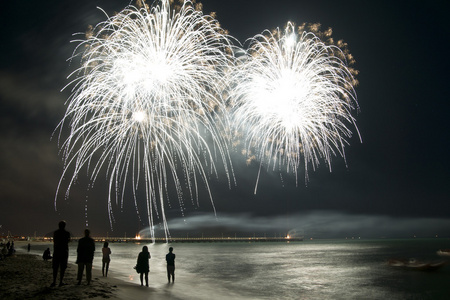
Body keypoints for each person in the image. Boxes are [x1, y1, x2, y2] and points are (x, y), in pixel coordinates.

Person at [51, 220, 71, 287]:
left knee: (55, 267)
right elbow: (68, 241)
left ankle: (54, 281)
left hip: (56, 251)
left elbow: (54, 241)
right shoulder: (67, 233)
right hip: (64, 251)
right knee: (63, 267)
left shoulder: (56, 233)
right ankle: (60, 281)